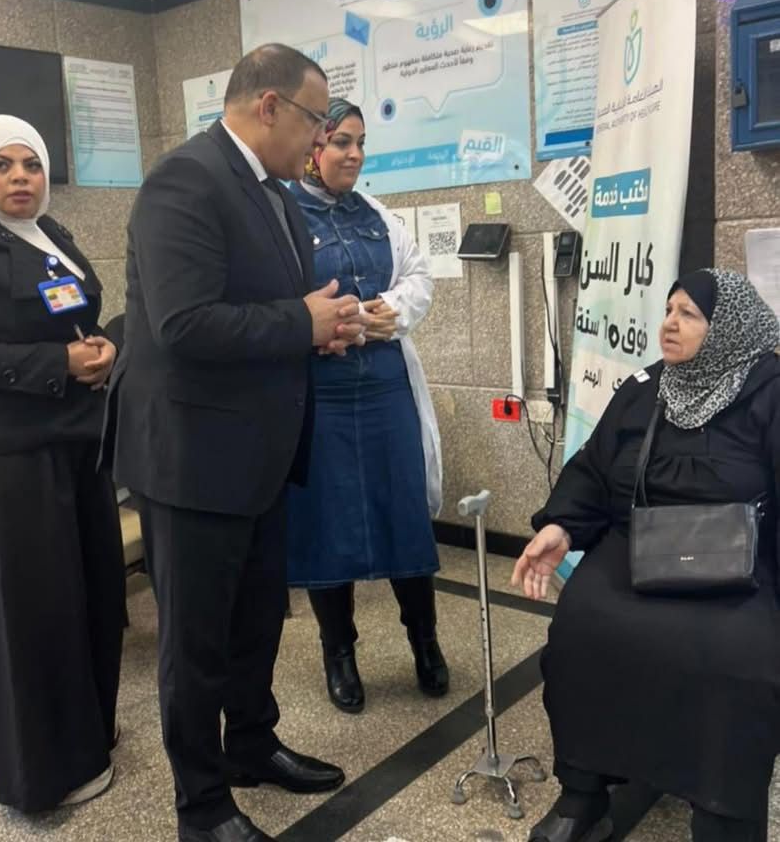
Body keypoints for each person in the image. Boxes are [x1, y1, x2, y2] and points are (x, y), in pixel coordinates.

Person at [104, 45, 366, 842]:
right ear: (268, 106)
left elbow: (270, 310)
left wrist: (317, 331)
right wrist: (299, 322)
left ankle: (251, 744)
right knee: (196, 643)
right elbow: (181, 324)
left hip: (259, 452)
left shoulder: (274, 194)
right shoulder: (183, 181)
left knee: (256, 621)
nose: (320, 139)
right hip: (192, 459)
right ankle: (203, 805)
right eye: (315, 120)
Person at [512, 269, 780, 842]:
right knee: (583, 627)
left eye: (689, 314)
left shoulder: (769, 392)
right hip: (639, 547)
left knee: (736, 661)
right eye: (668, 310)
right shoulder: (644, 386)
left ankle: (724, 813)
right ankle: (583, 794)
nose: (669, 324)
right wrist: (562, 526)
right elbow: (593, 466)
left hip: (739, 565)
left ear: (728, 327)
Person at [0, 115, 125, 812]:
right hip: (15, 455)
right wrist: (59, 363)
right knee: (36, 614)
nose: (20, 178)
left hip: (81, 443)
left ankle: (91, 734)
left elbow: (76, 319)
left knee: (94, 595)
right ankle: (46, 773)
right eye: (3, 165)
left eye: (31, 165)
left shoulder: (54, 235)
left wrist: (102, 350)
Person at [287, 97, 448, 714]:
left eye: (360, 143)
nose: (353, 154)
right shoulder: (283, 216)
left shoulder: (378, 215)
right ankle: (339, 653)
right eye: (341, 142)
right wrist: (323, 320)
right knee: (327, 523)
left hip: (385, 388)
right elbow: (271, 302)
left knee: (403, 511)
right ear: (313, 147)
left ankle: (425, 642)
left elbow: (419, 276)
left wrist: (393, 310)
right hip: (322, 394)